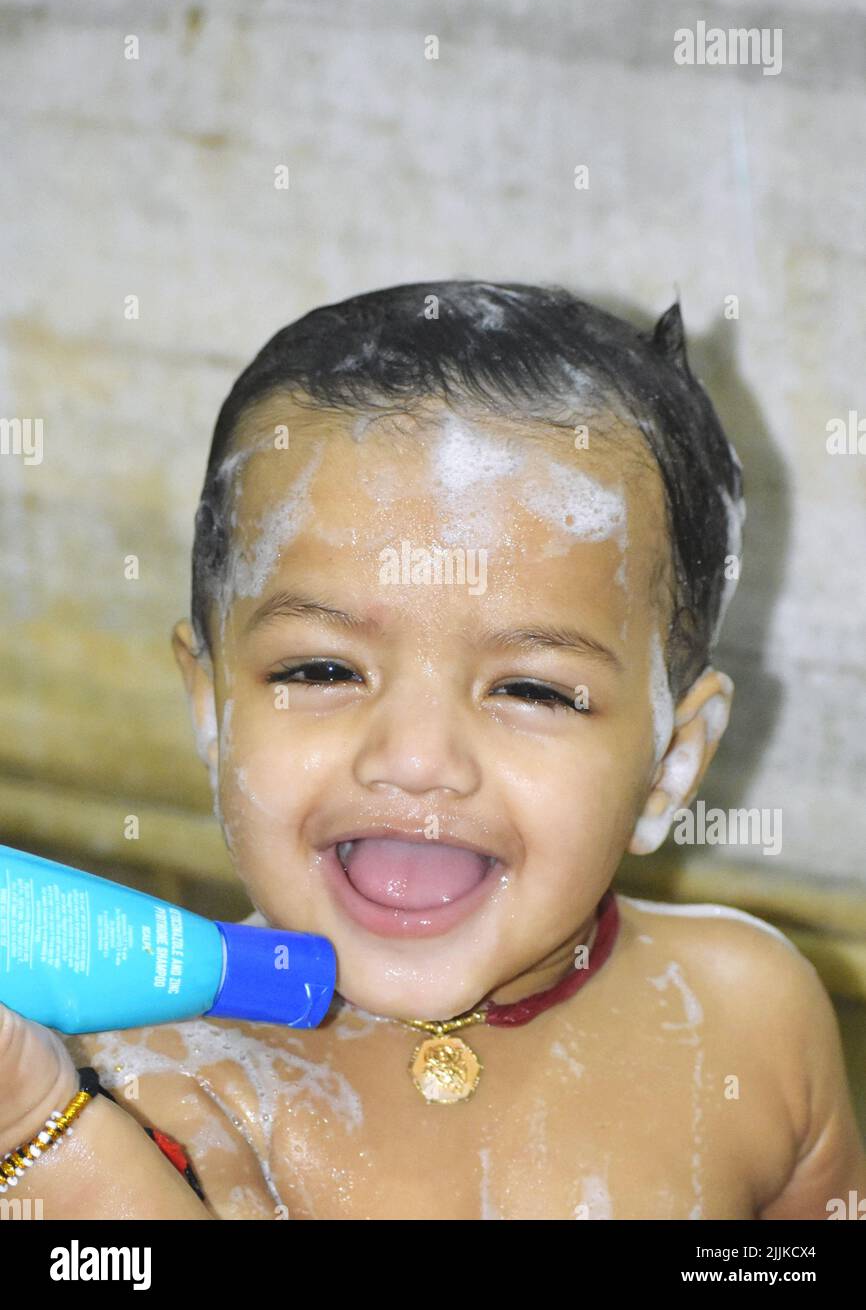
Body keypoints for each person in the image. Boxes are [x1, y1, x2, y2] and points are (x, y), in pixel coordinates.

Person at [6, 279, 864, 1219]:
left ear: (669, 765)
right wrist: (44, 1135)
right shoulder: (140, 1088)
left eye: (532, 688)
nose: (414, 759)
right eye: (324, 670)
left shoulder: (751, 1018)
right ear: (212, 708)